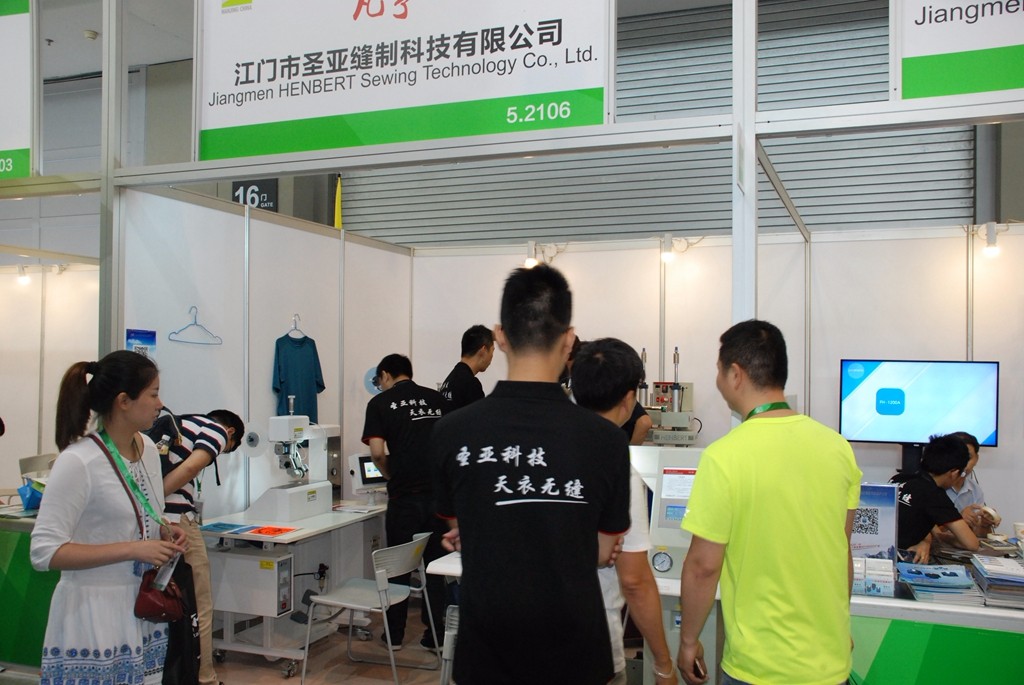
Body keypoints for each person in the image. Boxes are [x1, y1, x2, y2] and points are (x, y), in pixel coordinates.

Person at [432, 265, 631, 685]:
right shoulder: (607, 440)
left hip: (488, 651)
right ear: (569, 339)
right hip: (576, 652)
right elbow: (602, 552)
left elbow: (458, 525)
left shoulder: (452, 431)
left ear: (500, 336)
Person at [676, 320, 861, 685]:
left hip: (758, 665)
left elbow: (703, 567)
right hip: (829, 661)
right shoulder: (838, 448)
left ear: (735, 374)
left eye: (718, 370)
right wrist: (839, 627)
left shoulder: (724, 457)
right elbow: (842, 550)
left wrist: (688, 641)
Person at [30, 350, 187, 685]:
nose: (160, 405)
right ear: (124, 401)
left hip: (142, 607)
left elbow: (145, 513)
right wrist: (133, 549)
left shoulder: (147, 448)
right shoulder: (78, 461)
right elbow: (44, 552)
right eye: (154, 395)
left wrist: (164, 530)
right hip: (91, 613)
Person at [572, 338, 677, 685]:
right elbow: (634, 580)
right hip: (592, 640)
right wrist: (663, 663)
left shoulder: (541, 453)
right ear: (630, 398)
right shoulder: (616, 466)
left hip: (519, 637)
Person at [150, 409, 244, 685]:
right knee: (199, 603)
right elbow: (191, 468)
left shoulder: (180, 425)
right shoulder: (215, 430)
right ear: (230, 433)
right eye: (228, 448)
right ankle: (205, 677)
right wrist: (151, 498)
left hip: (153, 522)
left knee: (161, 599)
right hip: (177, 522)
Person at [361, 353, 447, 650]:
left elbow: (376, 452)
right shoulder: (436, 399)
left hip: (403, 498)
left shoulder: (379, 404)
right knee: (435, 569)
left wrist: (390, 474)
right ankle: (435, 636)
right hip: (438, 499)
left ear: (386, 375)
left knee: (397, 568)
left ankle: (394, 635)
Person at [890, 434, 980, 563]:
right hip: (898, 561)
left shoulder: (897, 479)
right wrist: (943, 538)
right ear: (954, 473)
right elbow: (971, 543)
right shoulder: (935, 495)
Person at [943, 431, 997, 537]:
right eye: (957, 457)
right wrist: (958, 520)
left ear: (976, 459)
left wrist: (984, 525)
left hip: (962, 546)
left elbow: (980, 537)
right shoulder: (934, 485)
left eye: (968, 457)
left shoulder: (975, 489)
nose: (962, 463)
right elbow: (925, 531)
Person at [439, 324, 495, 410]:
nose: (492, 357)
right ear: (483, 351)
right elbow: (479, 416)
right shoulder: (470, 384)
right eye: (492, 351)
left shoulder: (449, 381)